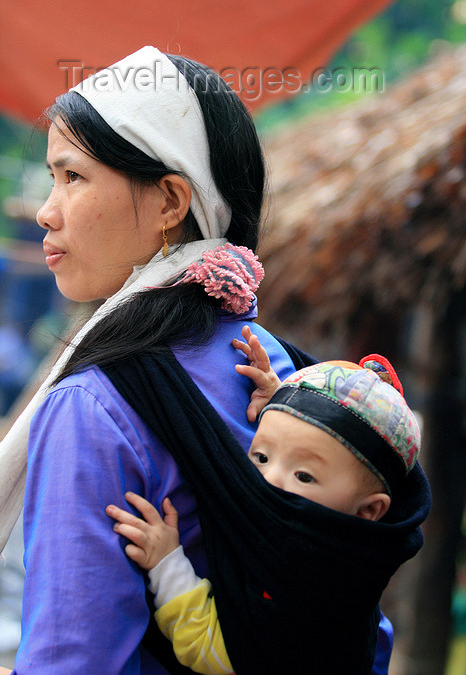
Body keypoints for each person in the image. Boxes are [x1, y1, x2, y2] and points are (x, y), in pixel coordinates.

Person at [0, 46, 395, 674]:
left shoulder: (94, 405)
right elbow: (347, 613)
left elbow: (73, 658)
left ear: (169, 201)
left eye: (72, 176)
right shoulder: (282, 372)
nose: (46, 211)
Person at [106, 332, 428, 675]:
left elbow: (216, 649)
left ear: (369, 511)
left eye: (304, 476)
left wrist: (167, 565)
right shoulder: (358, 553)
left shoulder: (314, 582)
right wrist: (280, 397)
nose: (269, 479)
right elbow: (301, 447)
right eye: (260, 455)